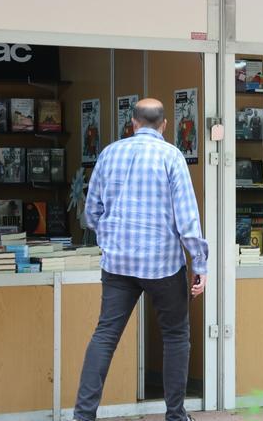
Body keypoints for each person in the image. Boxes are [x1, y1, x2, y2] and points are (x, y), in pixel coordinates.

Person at [73, 99, 207, 421]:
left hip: (117, 263)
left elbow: (90, 214)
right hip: (162, 264)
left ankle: (83, 415)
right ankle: (175, 414)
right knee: (175, 336)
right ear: (164, 125)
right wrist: (199, 264)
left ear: (132, 123)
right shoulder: (171, 156)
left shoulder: (108, 154)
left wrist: (111, 231)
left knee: (105, 336)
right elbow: (187, 218)